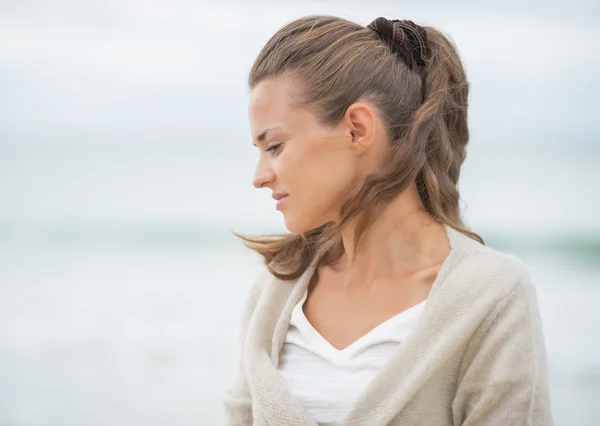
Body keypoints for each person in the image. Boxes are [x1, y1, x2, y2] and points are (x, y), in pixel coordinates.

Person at [223, 15, 553, 426]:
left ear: (358, 129)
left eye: (274, 145)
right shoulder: (274, 292)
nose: (259, 176)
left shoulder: (491, 297)